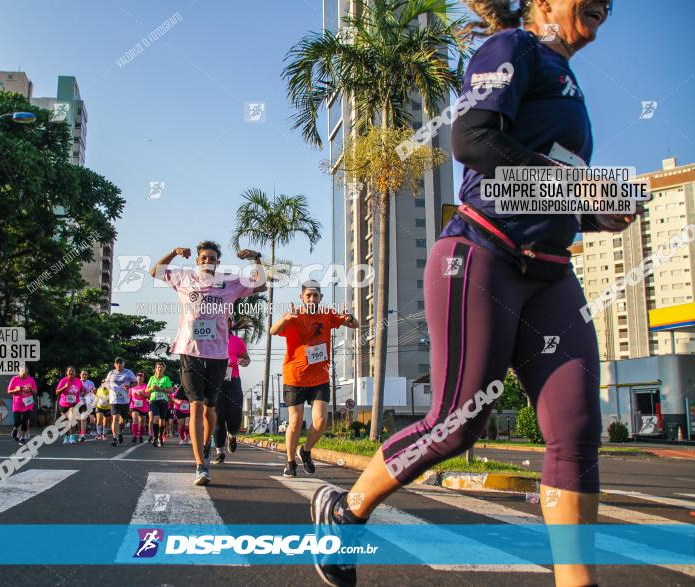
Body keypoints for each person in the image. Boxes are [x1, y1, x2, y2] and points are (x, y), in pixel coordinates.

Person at [310, 2, 625, 586]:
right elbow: (474, 141)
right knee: (456, 423)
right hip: (482, 255)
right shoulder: (513, 49)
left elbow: (539, 184)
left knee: (577, 432)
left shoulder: (569, 78)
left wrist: (595, 210)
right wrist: (581, 187)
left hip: (551, 272)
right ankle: (348, 511)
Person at [151, 241, 266, 485]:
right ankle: (200, 466)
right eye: (203, 258)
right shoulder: (184, 278)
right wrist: (173, 251)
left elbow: (261, 284)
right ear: (197, 261)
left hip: (217, 355)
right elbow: (155, 271)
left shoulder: (230, 282)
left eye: (211, 258)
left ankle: (206, 445)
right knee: (196, 406)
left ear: (217, 262)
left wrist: (256, 259)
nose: (207, 262)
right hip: (190, 351)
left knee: (210, 408)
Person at [272, 282, 359, 478]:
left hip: (319, 377)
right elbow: (272, 331)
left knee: (320, 421)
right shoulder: (294, 316)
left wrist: (349, 317)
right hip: (294, 376)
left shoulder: (327, 314)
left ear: (320, 297)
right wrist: (285, 318)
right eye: (308, 295)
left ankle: (306, 451)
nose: (312, 299)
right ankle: (290, 462)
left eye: (315, 295)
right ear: (302, 297)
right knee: (294, 422)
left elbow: (355, 324)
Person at [211, 317, 251, 463]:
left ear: (230, 323)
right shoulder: (211, 339)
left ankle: (232, 435)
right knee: (218, 418)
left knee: (234, 418)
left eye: (227, 320)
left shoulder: (237, 341)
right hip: (216, 382)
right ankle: (220, 452)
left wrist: (244, 361)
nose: (224, 323)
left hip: (233, 382)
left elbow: (246, 358)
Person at [106, 357, 137, 446]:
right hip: (114, 399)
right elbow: (106, 383)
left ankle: (120, 433)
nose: (119, 365)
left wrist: (129, 386)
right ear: (114, 364)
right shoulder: (111, 373)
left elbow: (135, 382)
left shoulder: (128, 372)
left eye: (120, 363)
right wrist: (109, 388)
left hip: (124, 400)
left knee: (122, 421)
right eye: (117, 363)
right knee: (115, 418)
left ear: (123, 364)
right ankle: (115, 438)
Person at [7, 364, 37, 445]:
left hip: (28, 404)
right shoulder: (14, 379)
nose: (24, 375)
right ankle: (15, 429)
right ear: (19, 372)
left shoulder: (31, 380)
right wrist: (17, 389)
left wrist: (31, 389)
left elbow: (35, 392)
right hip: (17, 404)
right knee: (17, 422)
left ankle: (22, 438)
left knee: (24, 422)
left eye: (26, 373)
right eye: (23, 373)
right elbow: (9, 391)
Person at [145, 362, 173, 447]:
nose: (160, 369)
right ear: (155, 368)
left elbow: (171, 390)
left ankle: (160, 437)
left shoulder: (166, 378)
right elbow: (146, 391)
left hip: (163, 401)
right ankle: (155, 437)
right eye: (158, 367)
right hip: (154, 401)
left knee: (162, 421)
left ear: (163, 369)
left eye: (161, 367)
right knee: (155, 419)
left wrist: (161, 389)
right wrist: (152, 388)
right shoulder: (152, 378)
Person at [55, 366, 83, 445]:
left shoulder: (78, 381)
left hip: (74, 404)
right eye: (69, 371)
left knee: (72, 419)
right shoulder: (63, 381)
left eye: (73, 371)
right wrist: (64, 387)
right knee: (65, 422)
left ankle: (72, 437)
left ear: (75, 373)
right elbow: (57, 393)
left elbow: (82, 390)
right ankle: (66, 437)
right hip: (63, 404)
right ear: (67, 373)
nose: (71, 372)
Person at [129, 372, 149, 443]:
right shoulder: (132, 388)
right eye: (138, 379)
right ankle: (134, 436)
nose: (139, 380)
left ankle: (140, 436)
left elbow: (149, 396)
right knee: (135, 419)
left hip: (143, 406)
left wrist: (143, 395)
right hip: (134, 406)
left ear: (143, 379)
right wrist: (129, 407)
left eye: (140, 379)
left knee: (142, 422)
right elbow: (129, 398)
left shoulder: (146, 386)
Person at [80, 370, 97, 438]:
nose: (84, 376)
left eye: (86, 374)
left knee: (89, 418)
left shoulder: (90, 382)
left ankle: (87, 432)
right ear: (80, 375)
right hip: (78, 402)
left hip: (88, 402)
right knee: (80, 419)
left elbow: (94, 391)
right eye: (83, 374)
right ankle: (81, 434)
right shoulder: (77, 382)